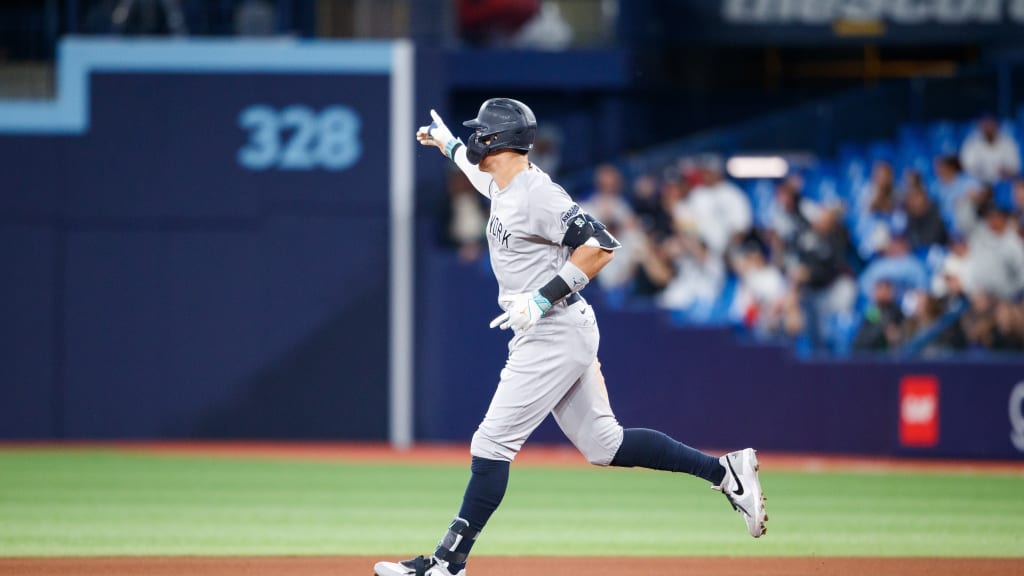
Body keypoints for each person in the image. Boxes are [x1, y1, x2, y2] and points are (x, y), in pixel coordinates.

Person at [374, 100, 768, 576]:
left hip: (553, 329)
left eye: (479, 132)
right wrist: (449, 145)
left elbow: (601, 245)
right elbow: (483, 178)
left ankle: (447, 563)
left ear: (496, 141)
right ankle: (725, 472)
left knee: (491, 444)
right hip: (559, 327)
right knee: (605, 445)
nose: (475, 138)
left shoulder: (538, 194)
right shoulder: (506, 182)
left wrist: (541, 298)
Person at [960, 115, 1021, 184]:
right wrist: (979, 172)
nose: (988, 128)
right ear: (980, 126)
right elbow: (966, 167)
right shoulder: (971, 142)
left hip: (1003, 183)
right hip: (978, 183)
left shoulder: (1008, 142)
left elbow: (1015, 167)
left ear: (997, 125)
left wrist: (1006, 171)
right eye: (985, 125)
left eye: (991, 124)